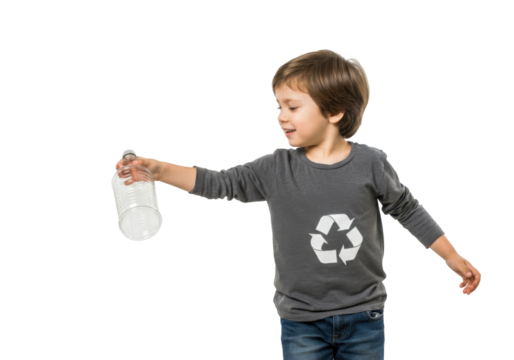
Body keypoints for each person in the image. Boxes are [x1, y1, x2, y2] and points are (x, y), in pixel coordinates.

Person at [113, 49, 483, 360]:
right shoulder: (274, 168)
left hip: (365, 315)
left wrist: (451, 256)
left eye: (292, 106)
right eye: (278, 106)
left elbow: (408, 209)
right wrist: (157, 169)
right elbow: (217, 182)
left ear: (333, 112)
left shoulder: (372, 164)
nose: (280, 116)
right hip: (300, 319)